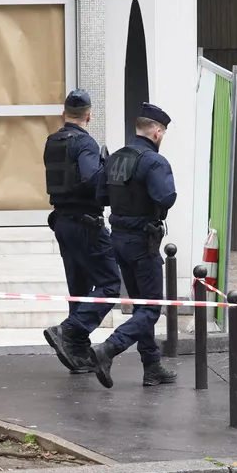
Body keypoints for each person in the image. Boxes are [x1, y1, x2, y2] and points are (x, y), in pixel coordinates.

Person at [91, 103, 178, 388]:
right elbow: (165, 198)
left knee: (141, 304)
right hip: (143, 241)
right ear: (155, 131)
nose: (162, 136)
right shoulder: (154, 161)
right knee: (151, 308)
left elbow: (100, 196)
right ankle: (109, 349)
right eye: (162, 131)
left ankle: (151, 366)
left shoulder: (116, 158)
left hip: (119, 238)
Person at [42, 89, 120, 374]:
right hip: (86, 223)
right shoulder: (86, 143)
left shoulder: (53, 141)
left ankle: (76, 350)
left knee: (79, 289)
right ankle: (69, 330)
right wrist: (107, 167)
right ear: (89, 115)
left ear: (64, 114)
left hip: (62, 221)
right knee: (111, 283)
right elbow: (90, 179)